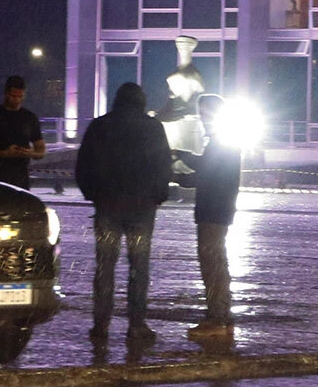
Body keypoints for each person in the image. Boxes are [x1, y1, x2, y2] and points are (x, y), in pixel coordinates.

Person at [75, 83, 173, 344]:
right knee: (139, 268)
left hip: (108, 205)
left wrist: (93, 193)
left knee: (105, 266)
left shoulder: (100, 126)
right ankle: (136, 324)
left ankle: (101, 323)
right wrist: (158, 195)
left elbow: (83, 164)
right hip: (142, 208)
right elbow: (164, 165)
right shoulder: (153, 127)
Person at [186, 94, 240, 342]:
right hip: (219, 210)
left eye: (205, 114)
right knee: (217, 261)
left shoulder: (221, 143)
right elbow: (207, 170)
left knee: (212, 262)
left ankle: (216, 318)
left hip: (213, 210)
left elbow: (206, 174)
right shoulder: (224, 141)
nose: (202, 120)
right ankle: (223, 316)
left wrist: (178, 168)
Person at [0, 76, 45, 189]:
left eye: (20, 96)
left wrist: (29, 153)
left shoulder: (30, 118)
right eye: (13, 96)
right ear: (6, 94)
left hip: (20, 178)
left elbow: (41, 151)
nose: (17, 100)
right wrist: (3, 153)